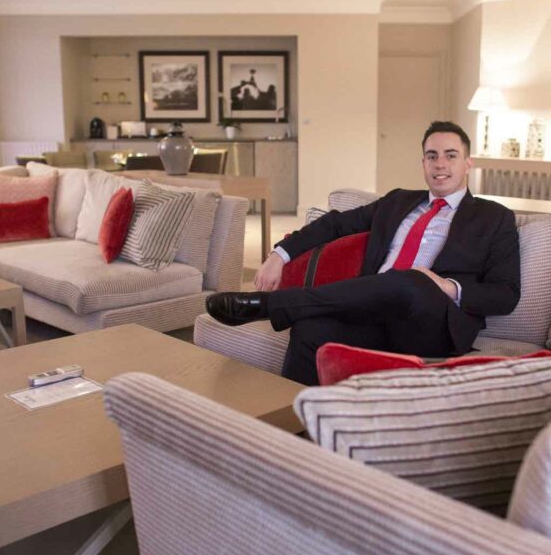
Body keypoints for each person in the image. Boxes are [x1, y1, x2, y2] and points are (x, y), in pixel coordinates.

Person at [206, 120, 520, 385]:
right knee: (310, 330)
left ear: (467, 163)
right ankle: (296, 424)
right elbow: (334, 225)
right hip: (371, 314)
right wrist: (280, 255)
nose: (440, 163)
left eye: (451, 155)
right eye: (431, 155)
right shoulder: (397, 201)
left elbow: (506, 294)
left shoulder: (494, 217)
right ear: (423, 163)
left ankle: (270, 305)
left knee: (411, 280)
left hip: (431, 324)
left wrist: (445, 286)